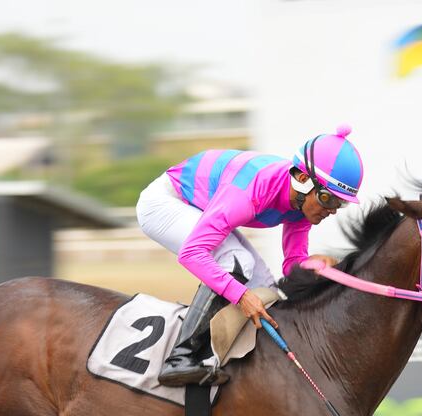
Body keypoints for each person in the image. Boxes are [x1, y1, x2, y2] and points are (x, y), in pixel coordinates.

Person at [135, 125, 364, 386]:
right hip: (166, 203)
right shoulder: (251, 190)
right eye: (328, 199)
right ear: (302, 180)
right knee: (236, 261)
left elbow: (292, 266)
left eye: (340, 203)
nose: (332, 210)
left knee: (266, 289)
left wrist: (317, 267)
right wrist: (240, 296)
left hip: (203, 207)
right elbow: (192, 253)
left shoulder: (302, 206)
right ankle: (179, 359)